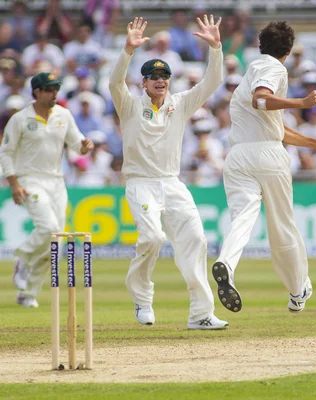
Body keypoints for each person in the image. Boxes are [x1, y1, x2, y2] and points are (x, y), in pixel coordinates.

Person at [109, 16, 228, 330]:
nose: (160, 80)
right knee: (153, 237)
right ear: (144, 82)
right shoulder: (130, 105)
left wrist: (216, 48)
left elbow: (211, 83)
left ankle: (201, 314)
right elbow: (114, 83)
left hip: (172, 183)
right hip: (141, 184)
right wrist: (127, 51)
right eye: (154, 76)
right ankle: (143, 299)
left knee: (197, 239)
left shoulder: (180, 103)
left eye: (164, 76)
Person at [211, 21, 316, 314]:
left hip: (239, 155)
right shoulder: (274, 69)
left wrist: (315, 144)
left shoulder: (249, 73)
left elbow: (275, 126)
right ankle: (298, 290)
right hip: (268, 156)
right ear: (288, 51)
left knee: (242, 218)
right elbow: (262, 100)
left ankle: (227, 264)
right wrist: (301, 102)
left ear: (259, 45)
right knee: (282, 227)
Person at [1, 72, 93, 308]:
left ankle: (28, 293)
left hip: (57, 181)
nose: (54, 93)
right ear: (37, 92)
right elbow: (6, 153)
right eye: (49, 89)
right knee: (50, 227)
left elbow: (76, 144)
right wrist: (14, 183)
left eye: (56, 88)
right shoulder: (20, 119)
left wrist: (85, 146)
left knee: (56, 243)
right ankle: (22, 257)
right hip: (29, 179)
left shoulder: (64, 114)